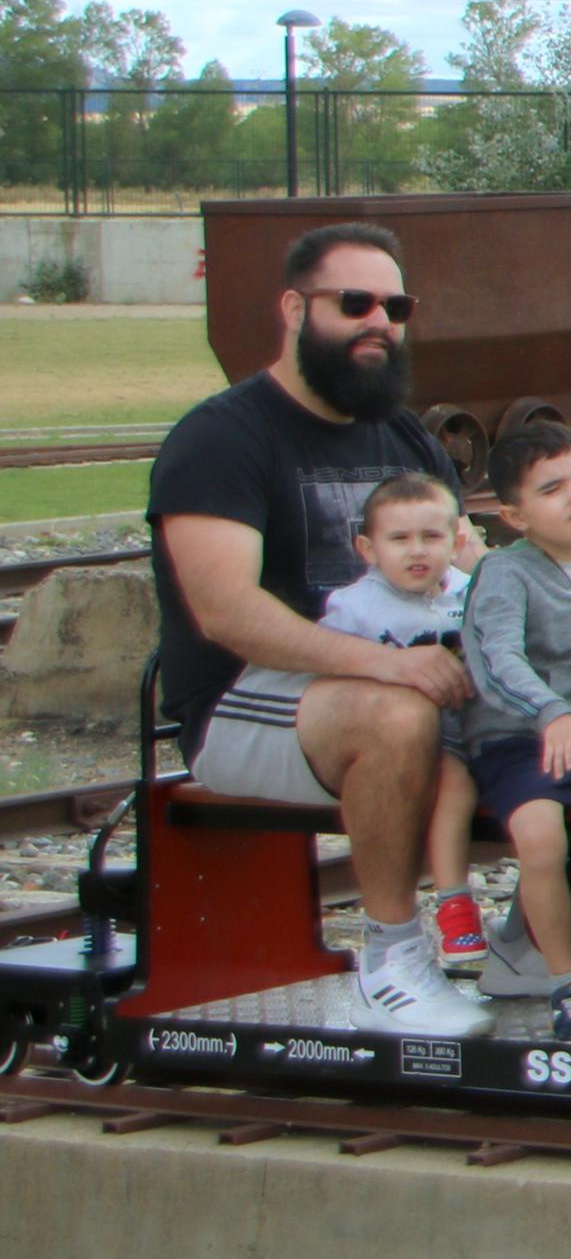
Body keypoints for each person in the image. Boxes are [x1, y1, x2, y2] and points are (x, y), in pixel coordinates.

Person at [147, 219, 482, 1035]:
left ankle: (529, 940)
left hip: (392, 673)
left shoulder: (401, 433)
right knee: (399, 713)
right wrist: (387, 665)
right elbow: (227, 613)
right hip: (247, 701)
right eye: (355, 301)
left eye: (394, 305)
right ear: (295, 309)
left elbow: (468, 563)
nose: (379, 321)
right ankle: (391, 962)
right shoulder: (220, 437)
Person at [207, 469, 481, 966]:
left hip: (480, 728)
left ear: (458, 541)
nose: (417, 551)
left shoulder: (472, 593)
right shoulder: (356, 608)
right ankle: (452, 905)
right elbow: (338, 675)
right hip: (426, 741)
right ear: (368, 549)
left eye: (431, 538)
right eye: (399, 540)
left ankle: (528, 930)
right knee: (453, 779)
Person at [456, 423, 571, 1041]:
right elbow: (496, 659)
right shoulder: (506, 575)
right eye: (552, 488)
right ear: (514, 514)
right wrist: (549, 712)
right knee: (540, 836)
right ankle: (565, 980)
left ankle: (525, 939)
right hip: (521, 737)